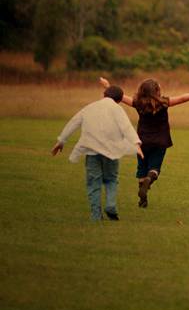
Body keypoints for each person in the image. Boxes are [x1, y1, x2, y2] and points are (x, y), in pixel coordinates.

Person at [100, 77, 189, 208]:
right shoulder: (164, 103)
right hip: (160, 141)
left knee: (142, 168)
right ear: (157, 91)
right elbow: (183, 98)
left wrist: (107, 86)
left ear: (141, 91)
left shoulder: (138, 103)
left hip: (142, 141)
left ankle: (143, 199)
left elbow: (120, 96)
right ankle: (149, 179)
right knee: (154, 168)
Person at [51, 85, 144, 221]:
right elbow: (126, 127)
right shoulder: (117, 109)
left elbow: (74, 122)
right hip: (111, 152)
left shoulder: (90, 107)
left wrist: (61, 141)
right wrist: (137, 144)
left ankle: (95, 215)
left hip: (92, 151)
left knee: (93, 183)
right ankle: (111, 205)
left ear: (104, 94)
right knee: (111, 179)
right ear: (119, 100)